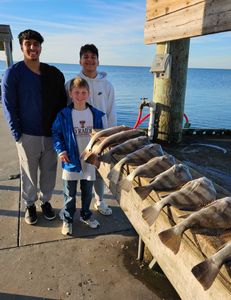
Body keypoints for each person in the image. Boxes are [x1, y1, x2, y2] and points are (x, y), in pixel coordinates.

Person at [1, 29, 67, 225]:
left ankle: (45, 202)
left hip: (50, 133)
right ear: (21, 47)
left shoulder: (51, 73)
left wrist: (61, 130)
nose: (32, 47)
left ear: (40, 47)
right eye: (28, 43)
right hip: (27, 134)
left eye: (36, 44)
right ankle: (30, 205)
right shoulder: (13, 73)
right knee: (28, 172)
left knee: (48, 172)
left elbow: (62, 101)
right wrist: (16, 133)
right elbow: (8, 105)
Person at [66, 44, 117, 216]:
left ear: (98, 61)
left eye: (93, 57)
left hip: (101, 136)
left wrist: (112, 135)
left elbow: (111, 112)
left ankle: (100, 201)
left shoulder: (107, 85)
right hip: (78, 134)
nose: (89, 60)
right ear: (80, 60)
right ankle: (72, 205)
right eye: (85, 57)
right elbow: (66, 110)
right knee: (76, 171)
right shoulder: (71, 83)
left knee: (98, 170)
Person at [52, 77, 104, 235]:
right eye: (77, 92)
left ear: (88, 94)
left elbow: (100, 136)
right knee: (70, 193)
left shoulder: (95, 114)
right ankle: (68, 219)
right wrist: (61, 150)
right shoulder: (64, 114)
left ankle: (86, 215)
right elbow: (56, 133)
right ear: (71, 93)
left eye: (83, 92)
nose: (80, 96)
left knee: (88, 192)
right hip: (70, 160)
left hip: (89, 161)